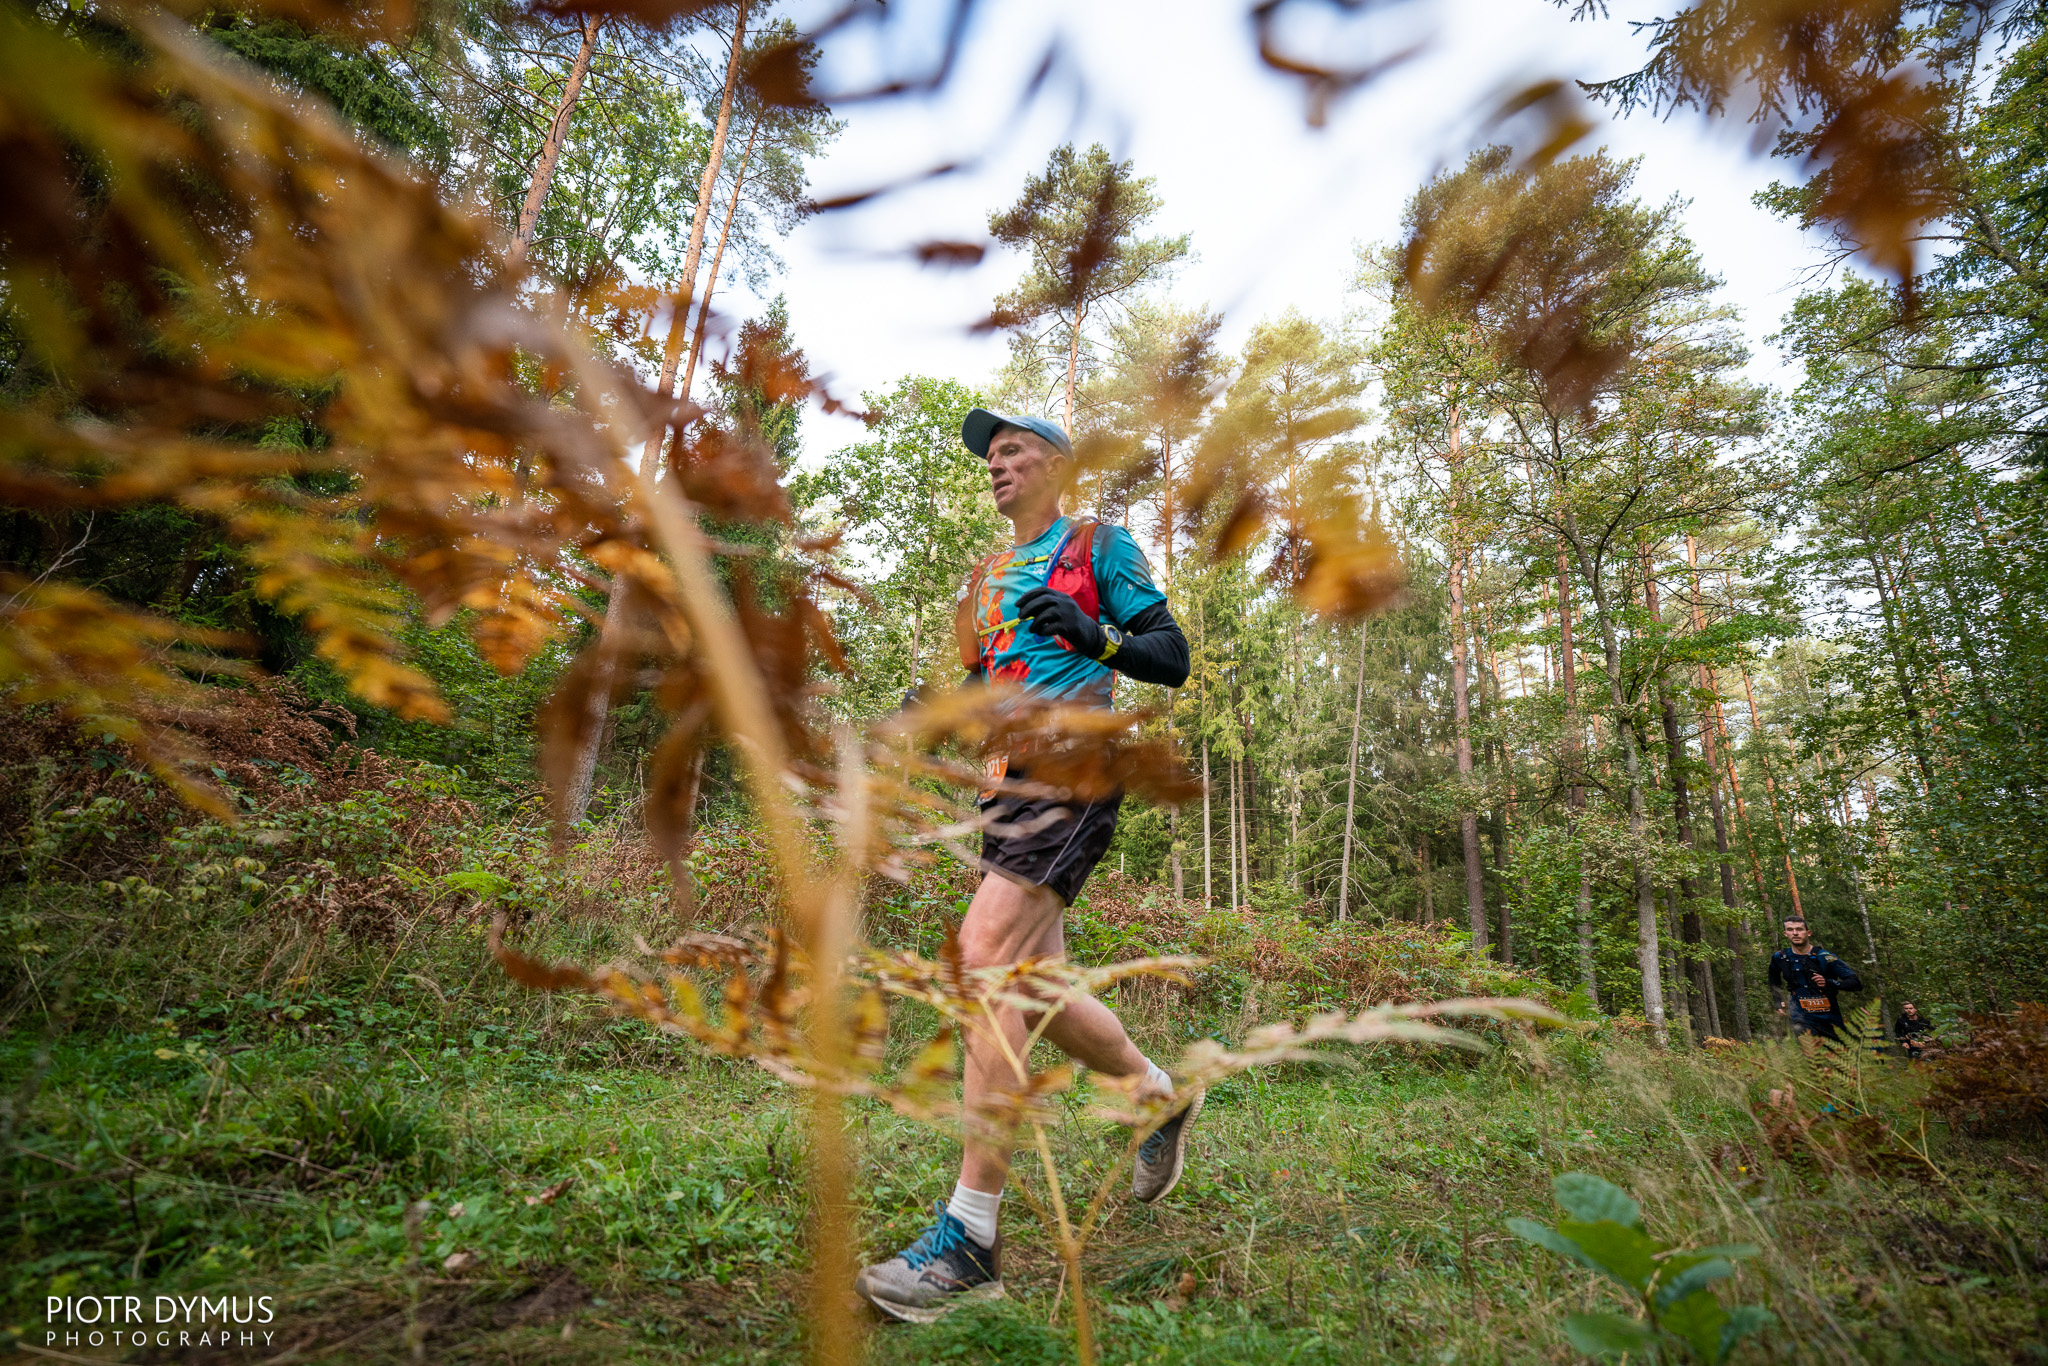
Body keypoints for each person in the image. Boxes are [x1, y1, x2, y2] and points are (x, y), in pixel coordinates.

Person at [853, 408, 1193, 1323]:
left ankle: (970, 1240)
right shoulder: (983, 580)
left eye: (1013, 451)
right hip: (1006, 786)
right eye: (991, 456)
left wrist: (1097, 636)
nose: (997, 465)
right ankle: (1154, 1095)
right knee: (1034, 987)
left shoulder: (1098, 547)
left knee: (982, 964)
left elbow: (1171, 657)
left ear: (1056, 466)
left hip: (1075, 769)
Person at [1767, 916, 1863, 1042]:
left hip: (1829, 1016)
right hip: (1800, 1015)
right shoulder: (1780, 957)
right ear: (1785, 933)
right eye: (1790, 929)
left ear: (1808, 933)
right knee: (1810, 1050)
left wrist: (1829, 983)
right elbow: (1773, 977)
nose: (1795, 933)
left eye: (1799, 929)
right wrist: (1778, 1000)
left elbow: (1855, 983)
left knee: (1836, 1052)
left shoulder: (1826, 956)